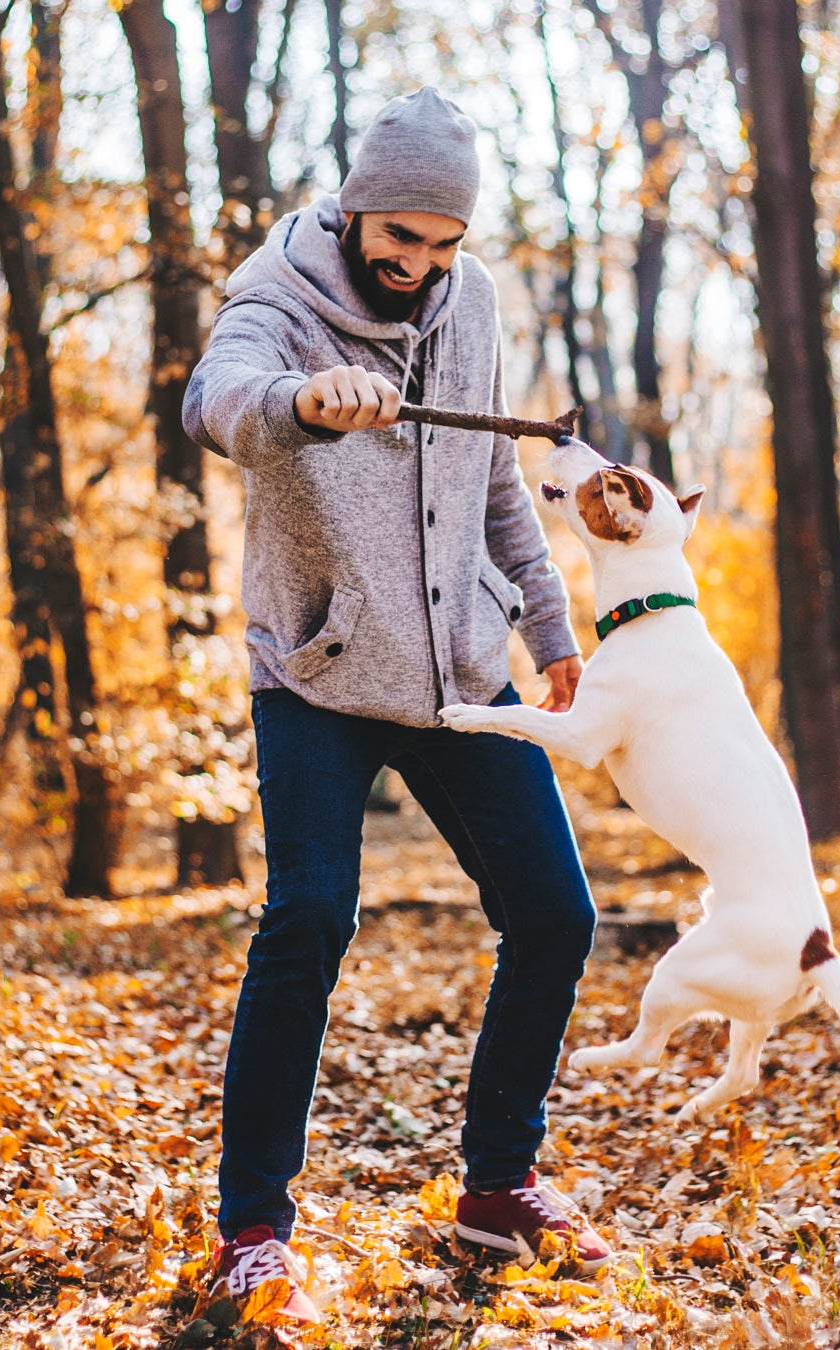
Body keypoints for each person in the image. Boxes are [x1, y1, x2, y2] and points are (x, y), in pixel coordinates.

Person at [181, 86, 614, 1322]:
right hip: (319, 670)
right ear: (358, 206)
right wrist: (301, 404)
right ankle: (255, 1226)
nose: (418, 265)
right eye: (400, 238)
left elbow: (492, 483)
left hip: (459, 671)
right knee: (310, 919)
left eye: (441, 243)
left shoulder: (469, 303)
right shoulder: (281, 292)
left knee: (556, 915)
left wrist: (546, 622)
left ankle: (496, 1187)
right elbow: (219, 398)